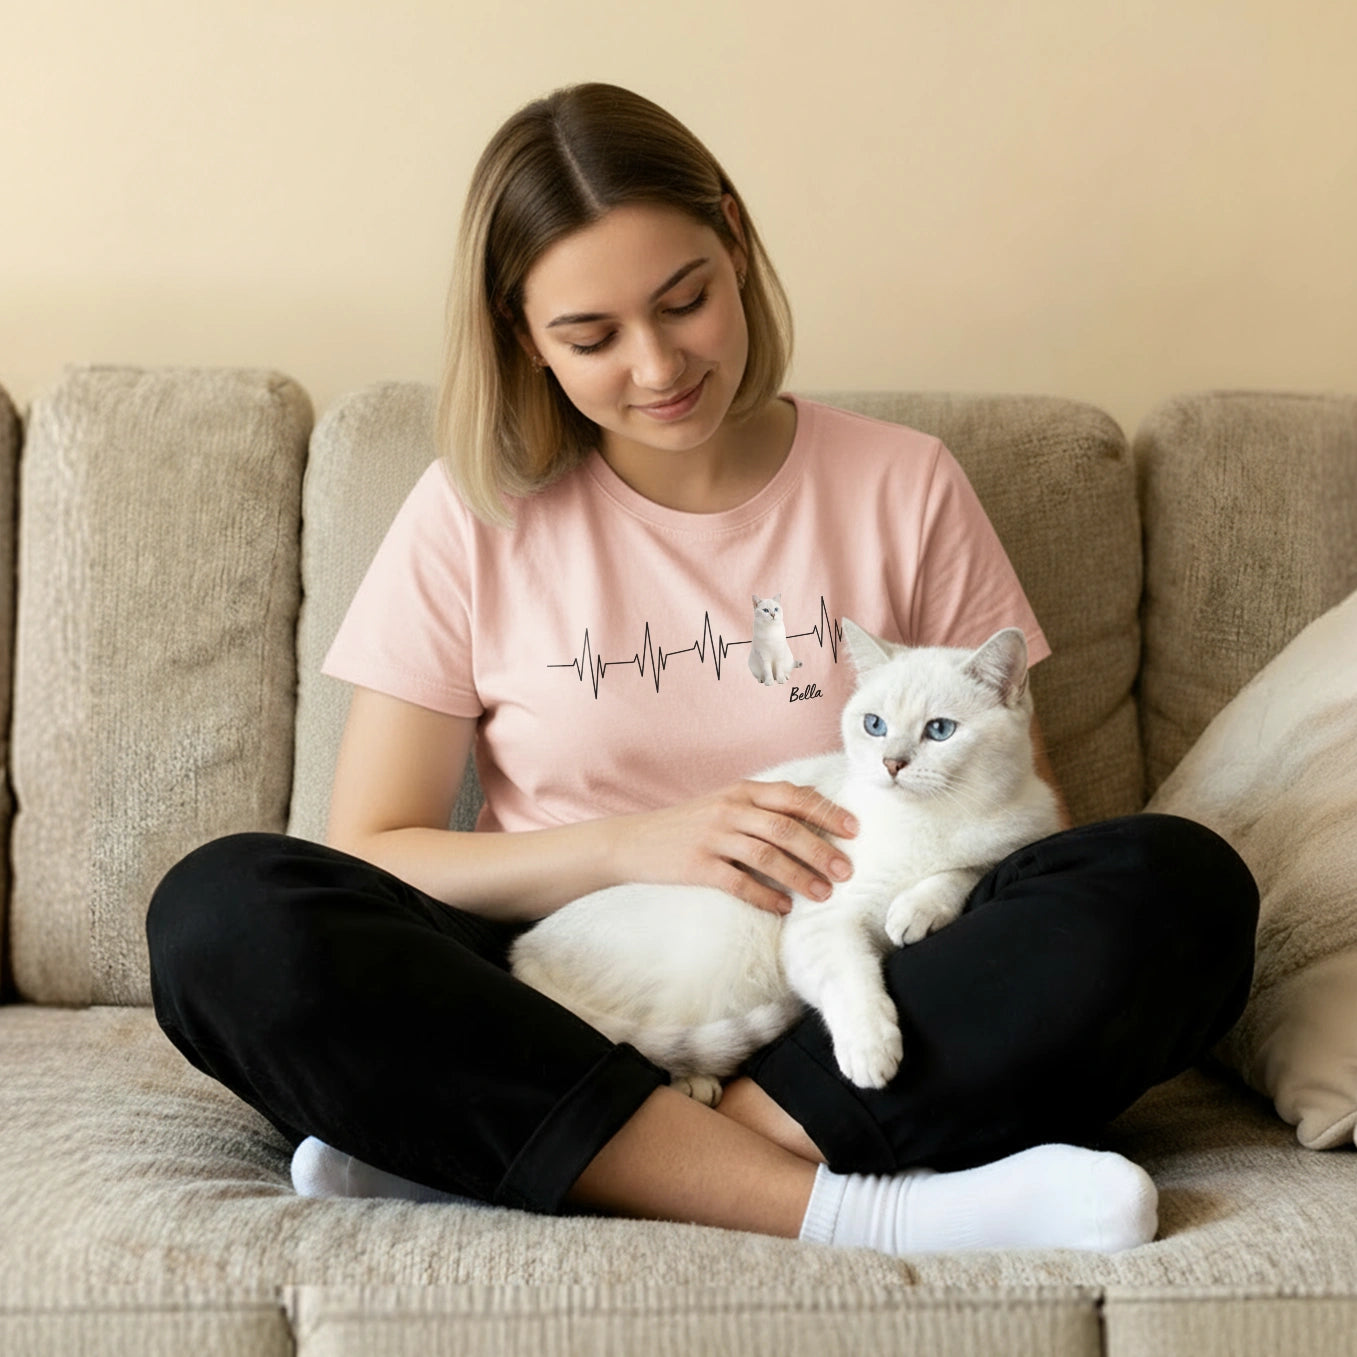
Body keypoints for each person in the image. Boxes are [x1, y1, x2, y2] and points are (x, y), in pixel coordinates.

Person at [146, 82, 1258, 1257]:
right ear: (520, 333)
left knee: (1178, 888)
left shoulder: (904, 484)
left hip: (844, 990)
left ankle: (533, 1151)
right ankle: (853, 1205)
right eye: (590, 336)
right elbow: (371, 848)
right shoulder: (469, 514)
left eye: (686, 301)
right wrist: (637, 843)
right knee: (224, 915)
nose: (658, 365)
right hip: (566, 990)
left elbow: (1013, 824)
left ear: (735, 243)